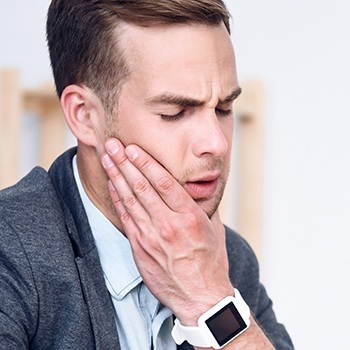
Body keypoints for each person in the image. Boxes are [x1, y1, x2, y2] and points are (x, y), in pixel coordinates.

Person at [0, 0, 294, 349]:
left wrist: (211, 302)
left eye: (224, 108)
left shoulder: (224, 259)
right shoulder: (10, 248)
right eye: (176, 112)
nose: (216, 144)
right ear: (84, 115)